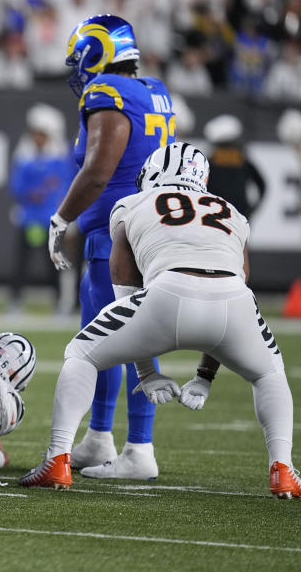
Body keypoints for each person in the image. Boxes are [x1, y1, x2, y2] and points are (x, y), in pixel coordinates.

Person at [21, 142, 301, 499]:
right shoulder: (231, 212)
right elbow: (230, 286)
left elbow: (126, 289)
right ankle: (283, 470)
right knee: (269, 373)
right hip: (235, 304)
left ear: (154, 171)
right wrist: (205, 375)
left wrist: (146, 371)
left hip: (167, 293)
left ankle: (57, 460)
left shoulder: (131, 204)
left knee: (82, 353)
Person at [47, 14, 174, 479]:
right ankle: (99, 437)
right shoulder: (155, 89)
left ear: (96, 51)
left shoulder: (108, 93)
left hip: (119, 238)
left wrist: (62, 218)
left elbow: (100, 170)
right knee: (102, 339)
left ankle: (139, 447)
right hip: (131, 230)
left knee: (123, 338)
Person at [8, 104, 74, 312]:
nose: (38, 139)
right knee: (21, 264)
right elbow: (17, 187)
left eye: (42, 135)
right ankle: (16, 302)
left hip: (48, 220)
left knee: (52, 264)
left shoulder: (58, 161)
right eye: (36, 135)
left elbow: (61, 188)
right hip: (28, 218)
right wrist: (33, 193)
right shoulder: (25, 160)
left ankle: (58, 302)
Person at [203, 114, 266, 220]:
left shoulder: (209, 163)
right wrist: (250, 210)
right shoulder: (243, 162)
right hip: (238, 215)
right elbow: (262, 185)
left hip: (216, 215)